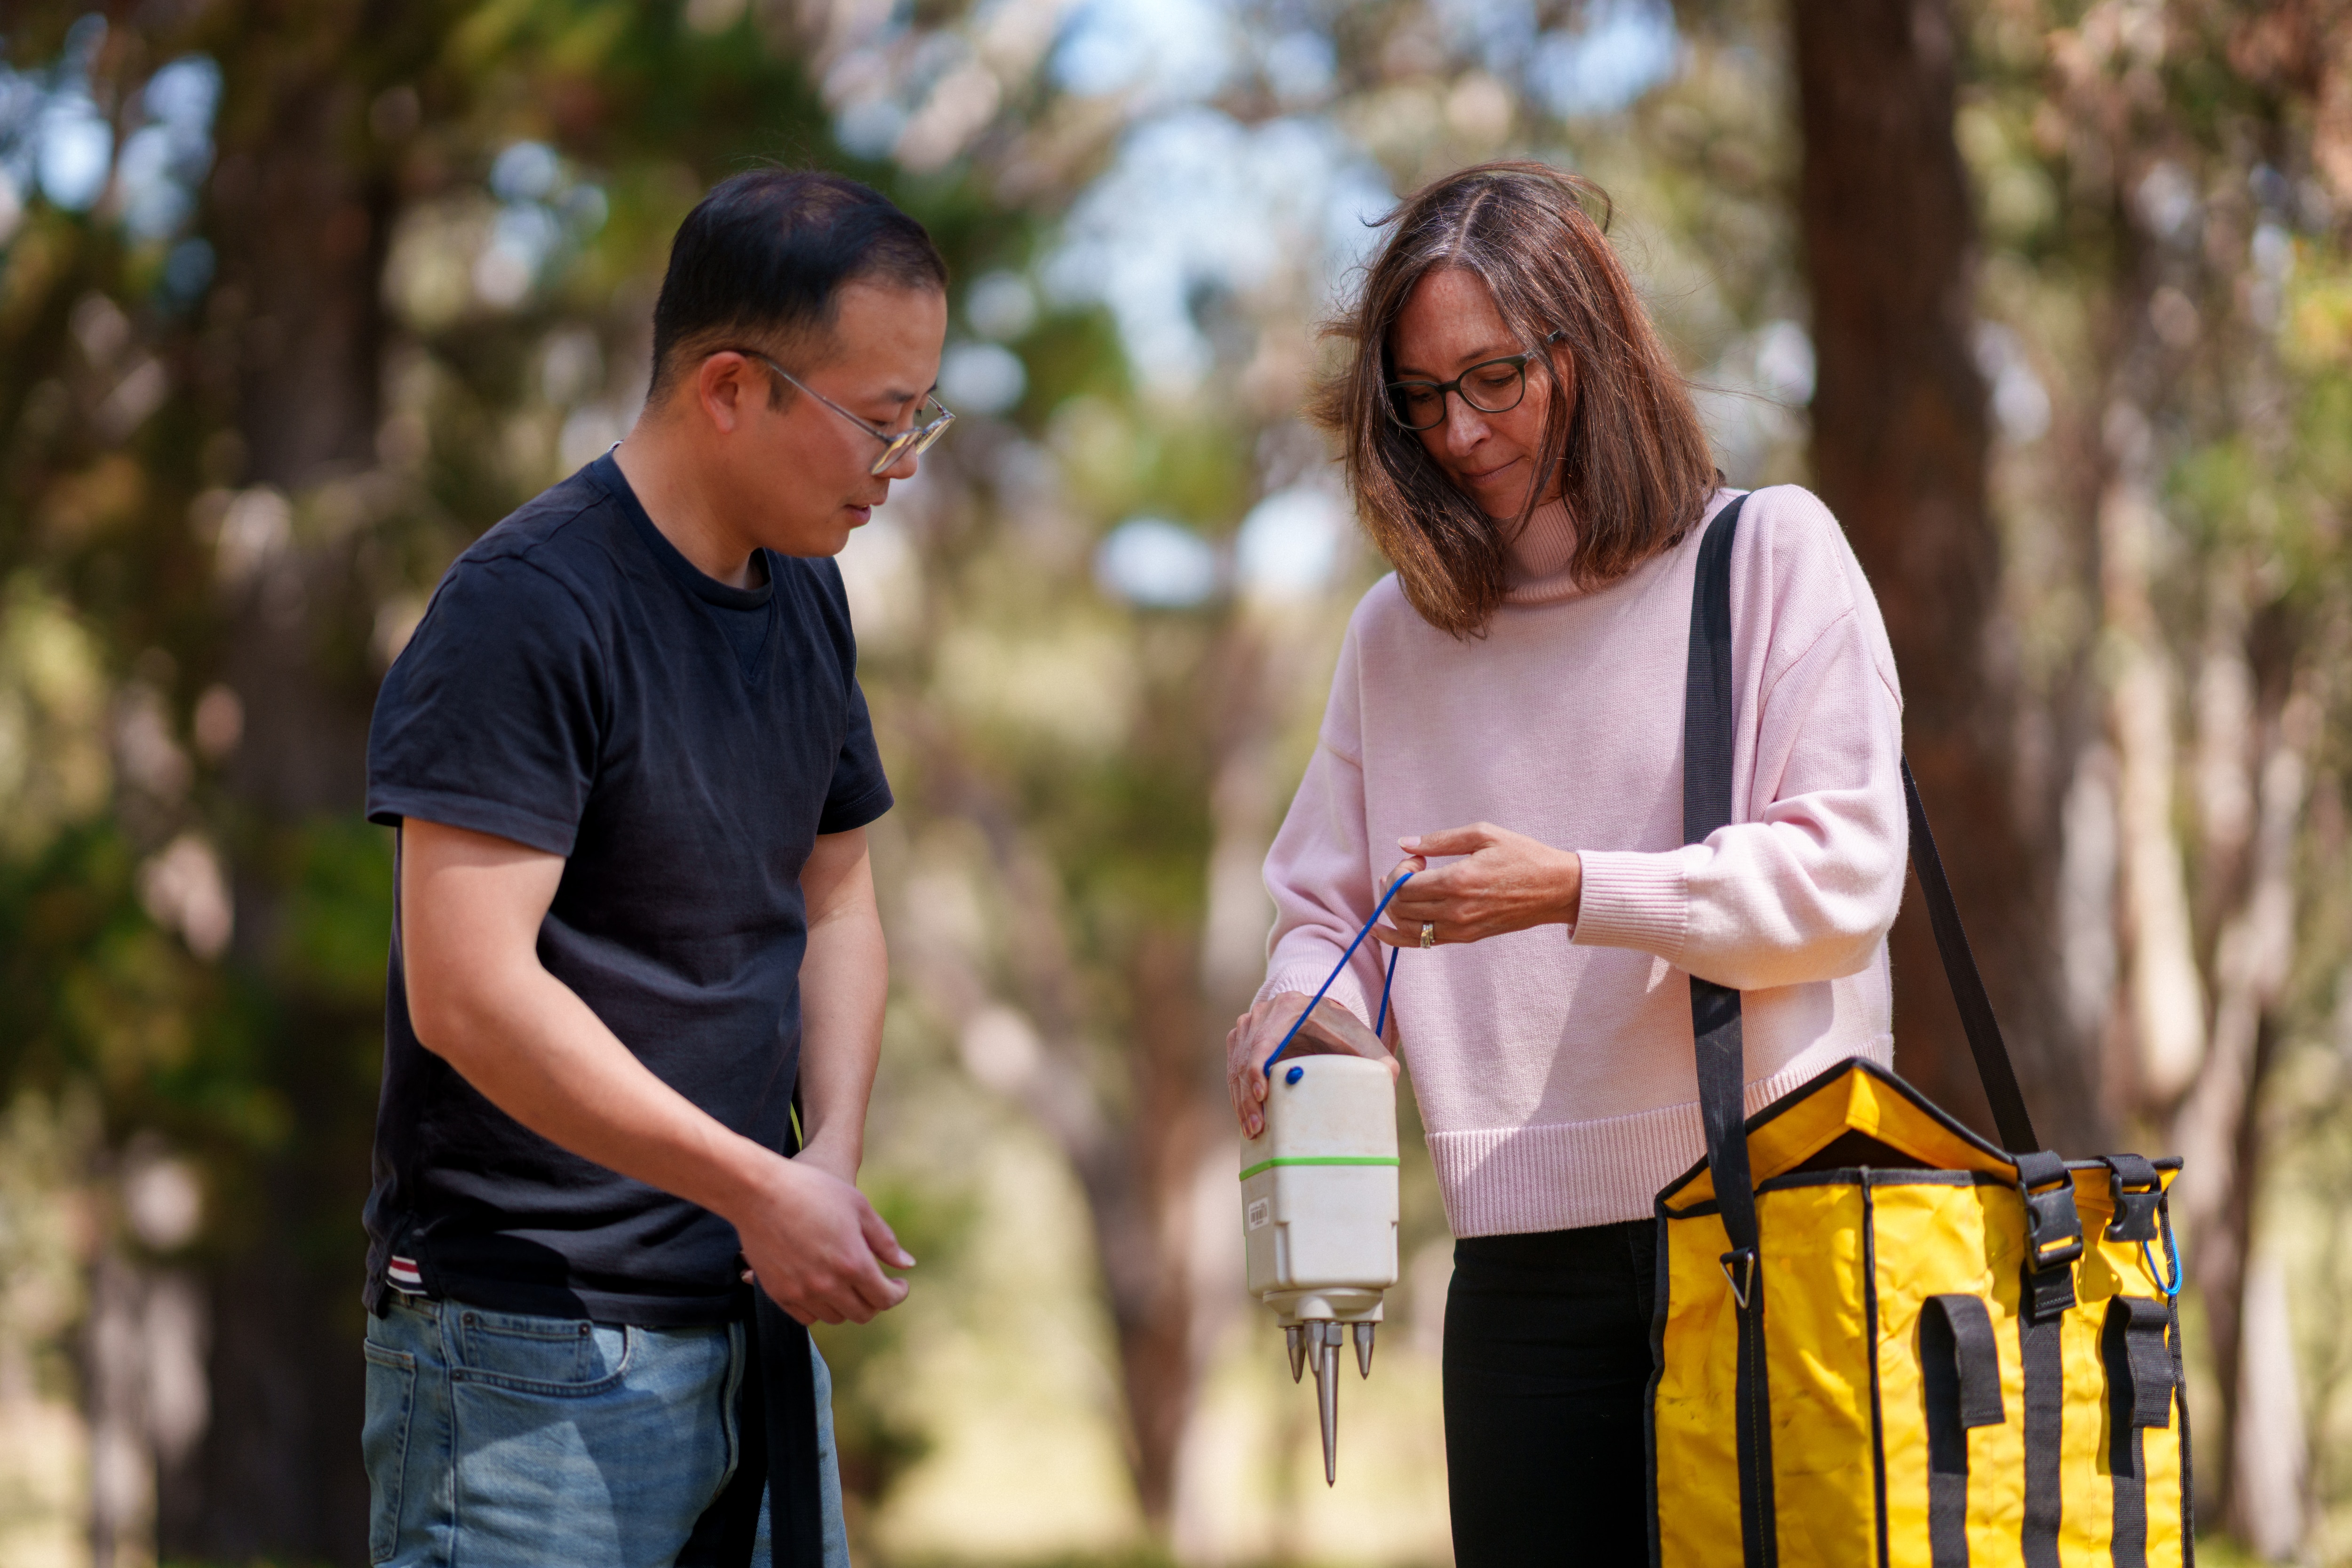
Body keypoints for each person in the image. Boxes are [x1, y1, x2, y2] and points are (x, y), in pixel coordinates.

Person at [1224, 162, 1907, 1563]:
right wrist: (1319, 1012)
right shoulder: (1396, 636)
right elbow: (1323, 909)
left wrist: (1579, 890)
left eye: (1495, 378)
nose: (1460, 430)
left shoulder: (1767, 557)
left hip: (1767, 1232)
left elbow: (1846, 878)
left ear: (1587, 353)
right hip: (1517, 1279)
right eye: (1422, 395)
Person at [360, 168, 954, 1567]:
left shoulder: (807, 591)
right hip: (528, 1360)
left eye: (921, 415)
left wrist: (830, 1167)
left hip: (749, 1330)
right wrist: (759, 1187)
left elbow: (838, 895)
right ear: (732, 387)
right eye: (879, 419)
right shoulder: (525, 608)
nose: (904, 460)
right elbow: (469, 993)